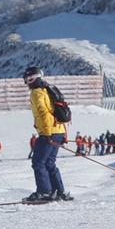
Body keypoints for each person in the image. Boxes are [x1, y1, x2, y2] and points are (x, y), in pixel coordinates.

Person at [24, 67, 72, 204]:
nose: (27, 82)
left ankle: (44, 192)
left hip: (48, 132)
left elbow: (43, 113)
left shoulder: (37, 93)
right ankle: (58, 191)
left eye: (27, 79)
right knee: (49, 163)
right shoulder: (48, 90)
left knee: (38, 163)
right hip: (58, 130)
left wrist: (46, 134)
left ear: (32, 78)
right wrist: (62, 133)